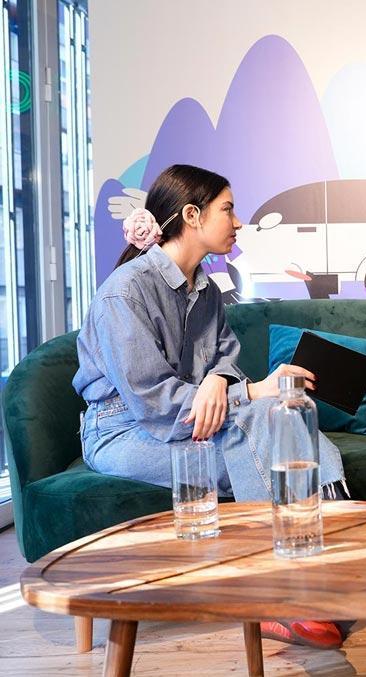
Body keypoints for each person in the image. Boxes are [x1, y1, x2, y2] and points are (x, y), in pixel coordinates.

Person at [74, 164, 351, 650]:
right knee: (257, 435)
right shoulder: (124, 292)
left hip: (188, 416)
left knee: (280, 413)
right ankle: (288, 589)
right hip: (123, 428)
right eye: (228, 209)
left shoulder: (206, 290)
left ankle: (312, 566)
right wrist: (243, 392)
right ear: (191, 216)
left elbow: (225, 360)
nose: (238, 220)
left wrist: (221, 383)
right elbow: (153, 402)